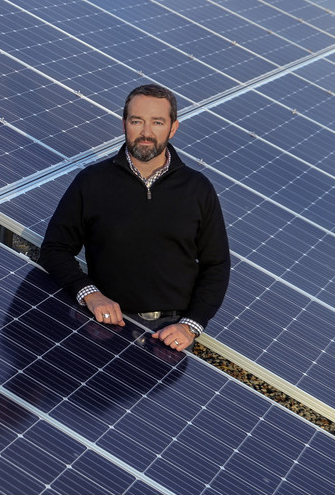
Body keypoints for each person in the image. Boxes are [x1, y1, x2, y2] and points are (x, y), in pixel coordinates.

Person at [38, 84, 229, 352]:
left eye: (157, 122)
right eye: (137, 121)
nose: (146, 132)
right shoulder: (92, 182)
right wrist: (89, 294)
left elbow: (216, 265)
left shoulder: (198, 189)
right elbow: (55, 249)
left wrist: (190, 326)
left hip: (170, 333)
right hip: (104, 324)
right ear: (124, 123)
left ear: (173, 128)